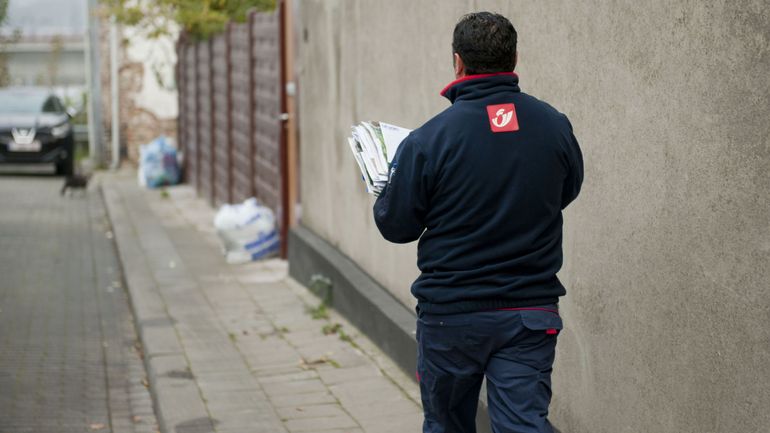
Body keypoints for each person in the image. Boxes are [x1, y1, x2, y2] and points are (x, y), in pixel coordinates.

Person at [372, 11, 584, 433]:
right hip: (530, 313)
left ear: (457, 62)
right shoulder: (554, 126)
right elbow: (567, 191)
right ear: (515, 57)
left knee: (447, 424)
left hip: (451, 316)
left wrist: (387, 188)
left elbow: (397, 227)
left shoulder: (429, 140)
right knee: (524, 426)